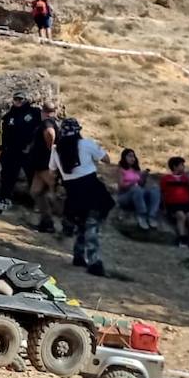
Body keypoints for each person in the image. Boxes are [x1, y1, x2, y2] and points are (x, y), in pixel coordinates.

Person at [49, 118, 114, 277]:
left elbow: (52, 170)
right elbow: (107, 159)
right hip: (91, 188)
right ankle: (94, 262)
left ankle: (78, 255)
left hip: (73, 191)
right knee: (92, 225)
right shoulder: (87, 144)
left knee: (82, 223)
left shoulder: (56, 149)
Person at [0, 91, 44, 205]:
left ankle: (37, 202)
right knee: (8, 175)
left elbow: (42, 126)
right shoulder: (8, 116)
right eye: (16, 99)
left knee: (33, 176)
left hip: (29, 151)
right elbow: (0, 133)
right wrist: (2, 147)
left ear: (25, 100)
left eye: (20, 99)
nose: (18, 101)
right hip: (12, 151)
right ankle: (5, 197)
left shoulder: (34, 113)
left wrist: (35, 145)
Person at [26, 102, 61, 232]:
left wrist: (49, 148)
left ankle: (69, 223)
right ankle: (47, 223)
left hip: (45, 165)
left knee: (56, 194)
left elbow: (50, 133)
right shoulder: (52, 122)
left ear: (44, 112)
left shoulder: (47, 122)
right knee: (36, 192)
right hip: (40, 165)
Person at [160, 157, 189, 249]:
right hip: (173, 204)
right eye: (181, 165)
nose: (183, 167)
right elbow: (163, 193)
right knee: (181, 215)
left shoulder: (186, 178)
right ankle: (182, 239)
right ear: (175, 167)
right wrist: (164, 207)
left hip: (186, 204)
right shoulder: (166, 178)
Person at [115, 149, 161, 230]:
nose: (132, 158)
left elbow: (141, 184)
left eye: (134, 156)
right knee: (136, 189)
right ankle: (141, 215)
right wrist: (132, 184)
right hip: (124, 196)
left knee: (155, 189)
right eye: (130, 156)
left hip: (138, 195)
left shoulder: (136, 170)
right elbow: (121, 185)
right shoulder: (121, 170)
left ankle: (151, 216)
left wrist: (144, 176)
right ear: (124, 157)